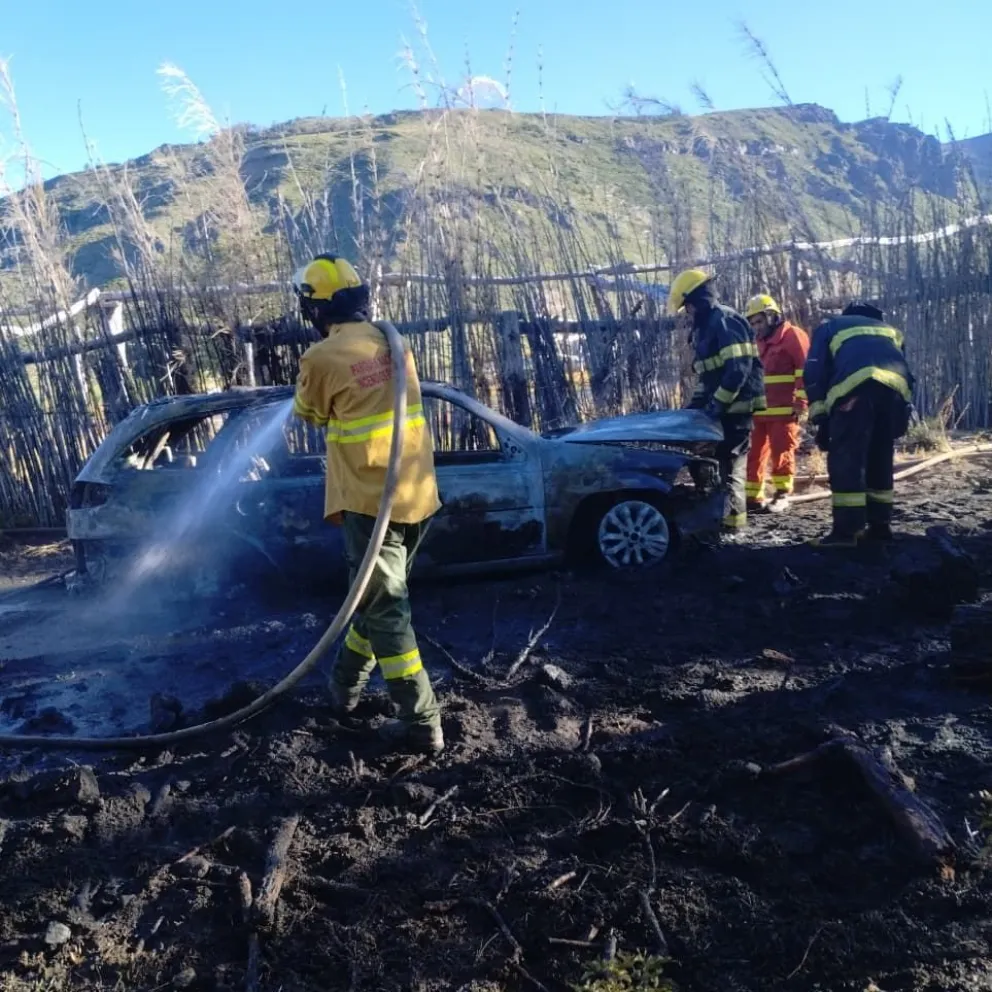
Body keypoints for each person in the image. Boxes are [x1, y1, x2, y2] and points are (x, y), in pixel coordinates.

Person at [291, 254, 444, 754]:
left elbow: (311, 413)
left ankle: (421, 722)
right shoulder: (391, 341)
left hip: (369, 501)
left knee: (385, 608)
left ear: (315, 309)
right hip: (416, 494)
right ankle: (345, 688)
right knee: (374, 601)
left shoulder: (321, 358)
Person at [804, 301, 915, 548]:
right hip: (894, 393)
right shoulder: (891, 331)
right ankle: (880, 526)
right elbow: (906, 371)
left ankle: (845, 533)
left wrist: (821, 418)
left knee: (847, 460)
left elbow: (814, 371)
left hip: (853, 392)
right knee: (880, 457)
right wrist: (902, 412)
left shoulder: (830, 327)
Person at [667, 269, 767, 532]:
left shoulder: (725, 321)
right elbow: (708, 378)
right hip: (722, 410)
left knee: (729, 464)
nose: (688, 312)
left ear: (698, 299)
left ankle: (733, 526)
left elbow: (738, 369)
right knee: (713, 463)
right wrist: (693, 409)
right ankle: (719, 516)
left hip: (737, 408)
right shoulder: (707, 327)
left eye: (688, 306)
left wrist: (717, 405)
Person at [743, 294, 810, 513]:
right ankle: (753, 497)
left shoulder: (793, 336)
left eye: (759, 321)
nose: (756, 327)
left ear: (772, 316)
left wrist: (801, 402)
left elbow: (805, 371)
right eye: (753, 323)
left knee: (782, 452)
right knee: (754, 454)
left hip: (784, 410)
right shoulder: (757, 342)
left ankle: (782, 494)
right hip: (758, 411)